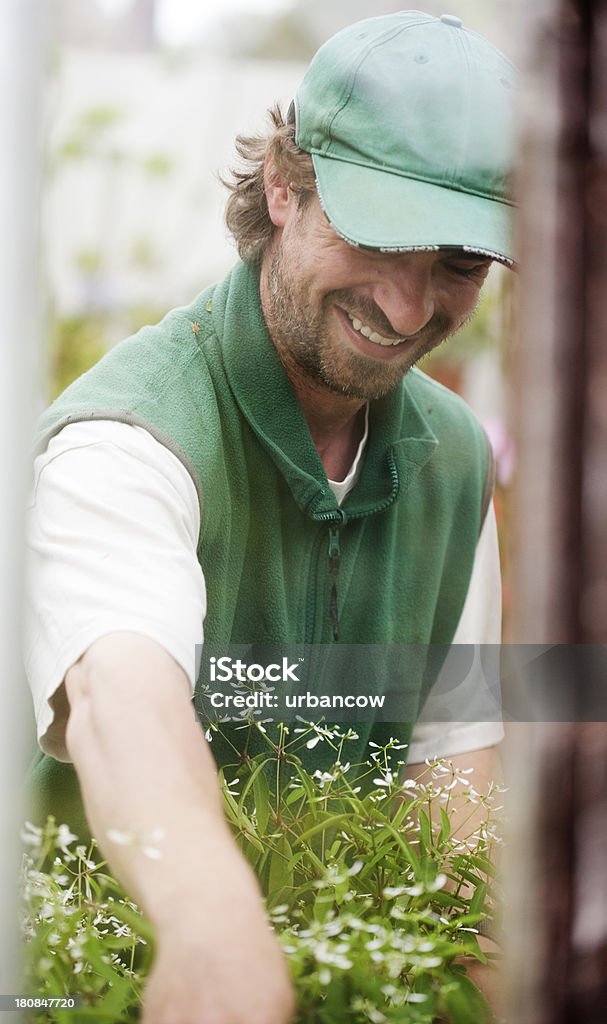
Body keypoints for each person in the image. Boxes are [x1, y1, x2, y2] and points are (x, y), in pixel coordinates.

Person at [25, 11, 516, 1024]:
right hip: (108, 978)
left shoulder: (456, 458)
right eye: (378, 234)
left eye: (459, 263)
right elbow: (125, 700)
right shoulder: (126, 444)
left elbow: (453, 778)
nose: (409, 304)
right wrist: (212, 934)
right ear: (285, 187)